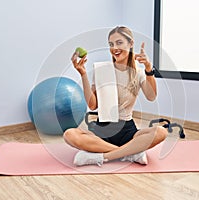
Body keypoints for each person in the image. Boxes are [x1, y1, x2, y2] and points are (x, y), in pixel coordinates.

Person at [63, 26, 167, 166]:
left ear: (130, 44)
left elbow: (151, 96)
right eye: (111, 44)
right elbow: (92, 105)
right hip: (101, 130)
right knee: (69, 135)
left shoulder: (138, 72)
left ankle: (100, 157)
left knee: (161, 132)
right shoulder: (101, 70)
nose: (114, 48)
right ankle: (130, 153)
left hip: (127, 130)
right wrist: (83, 74)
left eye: (119, 42)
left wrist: (149, 69)